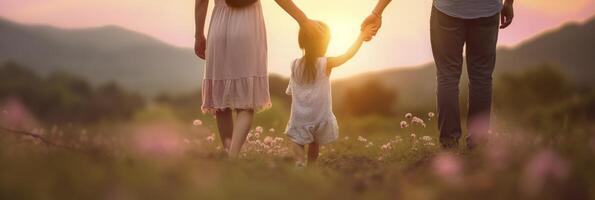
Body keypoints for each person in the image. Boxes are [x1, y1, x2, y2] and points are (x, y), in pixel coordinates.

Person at [194, 0, 324, 158]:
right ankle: (233, 157)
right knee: (246, 105)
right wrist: (303, 20)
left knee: (222, 104)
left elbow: (201, 1)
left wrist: (199, 35)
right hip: (248, 24)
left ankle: (229, 153)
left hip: (218, 26)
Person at [285, 21, 375, 167]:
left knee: (297, 142)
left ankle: (299, 163)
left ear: (302, 42)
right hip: (319, 116)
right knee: (315, 143)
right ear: (324, 44)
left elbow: (292, 88)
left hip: (300, 116)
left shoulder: (295, 64)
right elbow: (347, 55)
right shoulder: (325, 63)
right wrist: (361, 37)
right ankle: (311, 168)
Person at [429, 0, 514, 149]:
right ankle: (478, 143)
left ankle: (449, 144)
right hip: (487, 9)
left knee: (447, 76)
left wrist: (377, 12)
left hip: (447, 9)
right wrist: (509, 3)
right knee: (481, 77)